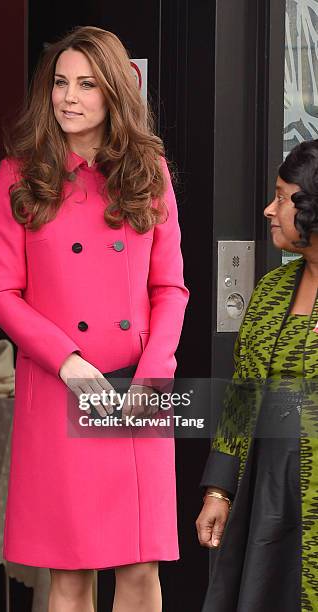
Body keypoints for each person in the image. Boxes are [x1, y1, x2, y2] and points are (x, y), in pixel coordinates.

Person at [0, 25, 189, 612]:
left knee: (141, 567)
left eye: (86, 84)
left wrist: (153, 377)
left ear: (115, 95)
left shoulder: (150, 175)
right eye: (60, 83)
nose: (68, 97)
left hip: (137, 389)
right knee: (70, 574)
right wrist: (67, 362)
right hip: (59, 389)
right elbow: (0, 291)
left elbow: (170, 287)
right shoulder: (19, 174)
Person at [196, 139, 318, 611]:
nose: (271, 209)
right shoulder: (272, 289)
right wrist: (218, 489)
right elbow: (243, 396)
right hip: (266, 491)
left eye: (283, 197)